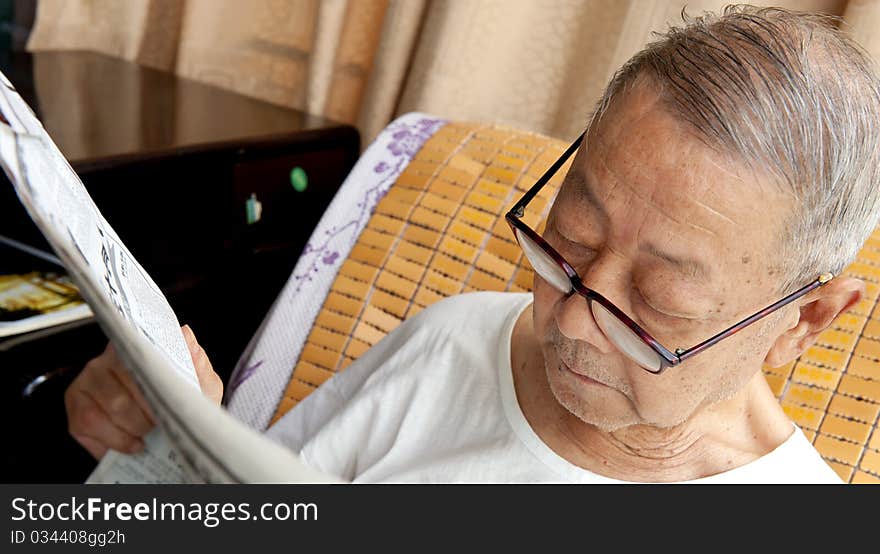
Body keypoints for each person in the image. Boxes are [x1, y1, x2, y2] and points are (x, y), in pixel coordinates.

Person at [65, 5, 880, 483]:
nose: (567, 322)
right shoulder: (453, 342)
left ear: (804, 321)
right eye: (570, 239)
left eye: (656, 305)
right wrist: (166, 443)